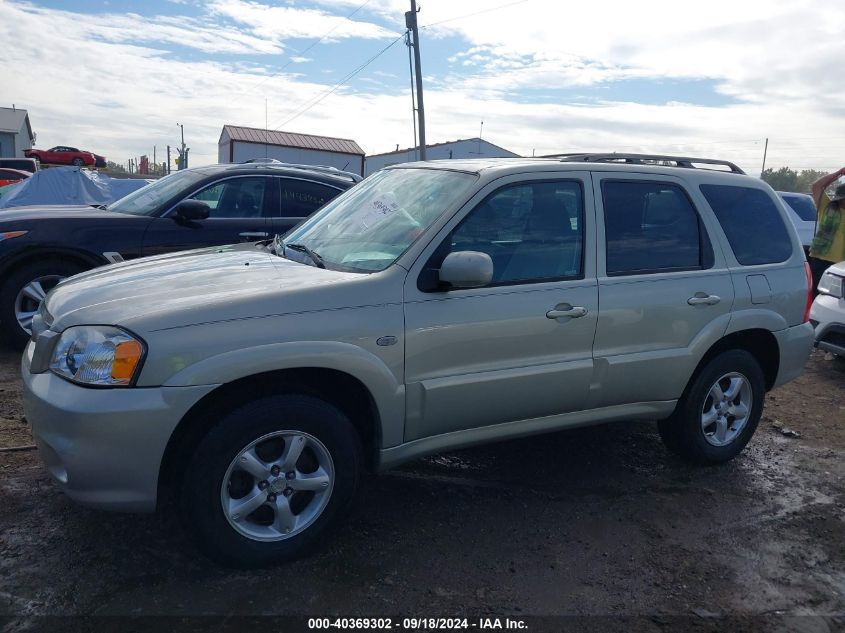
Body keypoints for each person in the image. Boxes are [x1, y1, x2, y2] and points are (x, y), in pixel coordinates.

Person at [808, 167, 845, 290]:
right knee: (815, 296)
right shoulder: (826, 207)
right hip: (820, 260)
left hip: (841, 267)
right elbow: (816, 186)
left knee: (835, 301)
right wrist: (839, 173)